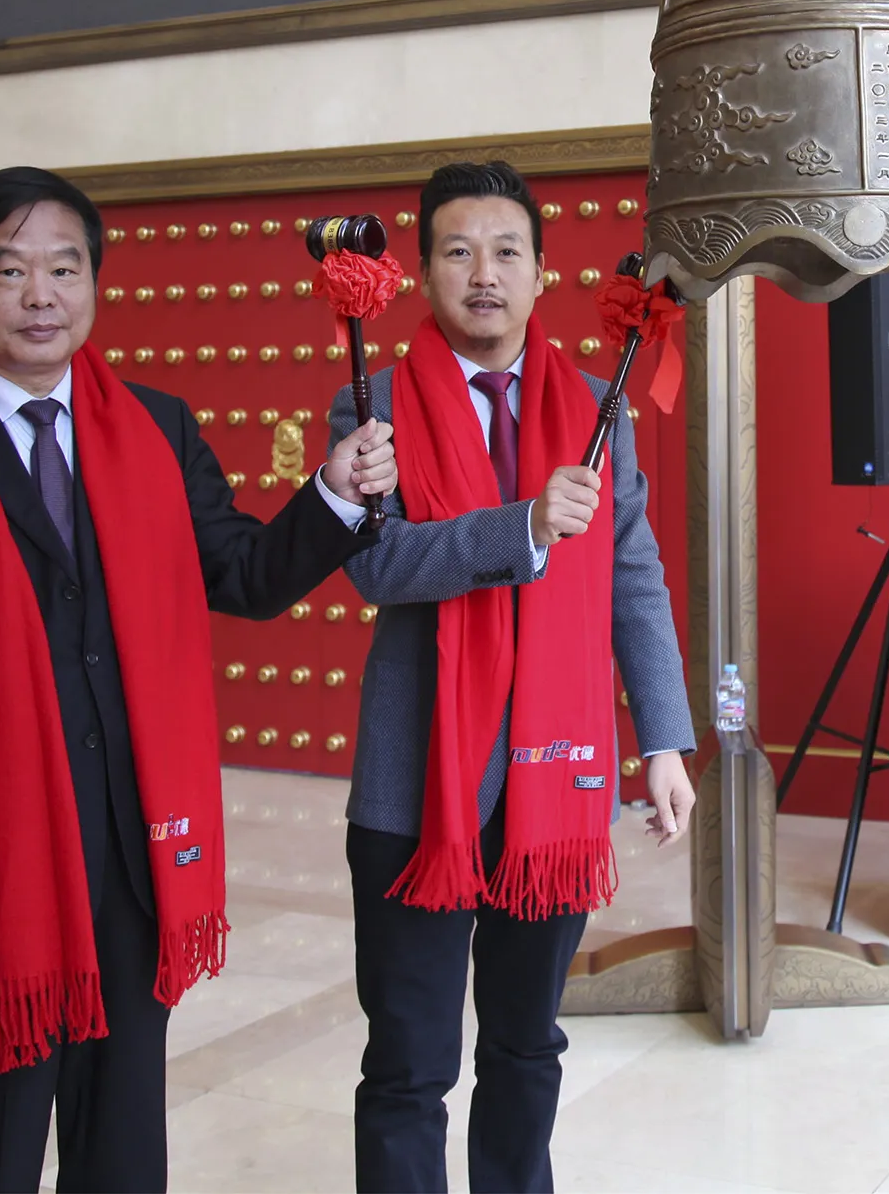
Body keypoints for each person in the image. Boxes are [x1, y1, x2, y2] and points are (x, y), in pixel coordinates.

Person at [0, 166, 396, 1193]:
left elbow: (242, 573)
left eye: (65, 268)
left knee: (121, 1133)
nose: (41, 294)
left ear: (92, 282)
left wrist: (333, 494)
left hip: (134, 848)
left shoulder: (156, 427)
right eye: (9, 269)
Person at [330, 160, 694, 1194]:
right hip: (417, 787)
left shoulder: (596, 408)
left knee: (527, 1045)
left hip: (555, 779)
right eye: (458, 251)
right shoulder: (370, 408)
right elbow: (377, 564)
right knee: (408, 1064)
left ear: (541, 272)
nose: (483, 273)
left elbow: (632, 575)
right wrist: (523, 526)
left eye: (505, 251)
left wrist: (665, 739)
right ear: (423, 272)